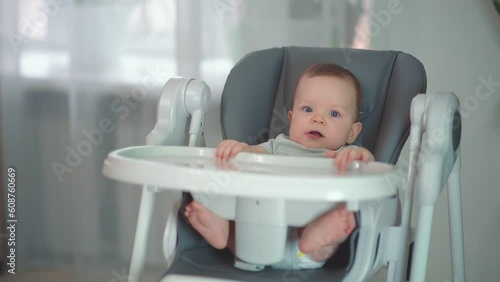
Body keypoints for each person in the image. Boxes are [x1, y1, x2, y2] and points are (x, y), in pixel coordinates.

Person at [184, 63, 374, 269]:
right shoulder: (278, 145)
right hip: (255, 239)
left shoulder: (343, 156)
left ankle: (318, 235)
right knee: (230, 187)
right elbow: (253, 154)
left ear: (352, 133)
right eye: (308, 109)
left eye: (334, 114)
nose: (317, 119)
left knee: (339, 216)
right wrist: (239, 149)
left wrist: (361, 157)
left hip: (305, 247)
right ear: (292, 118)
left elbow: (369, 169)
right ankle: (225, 234)